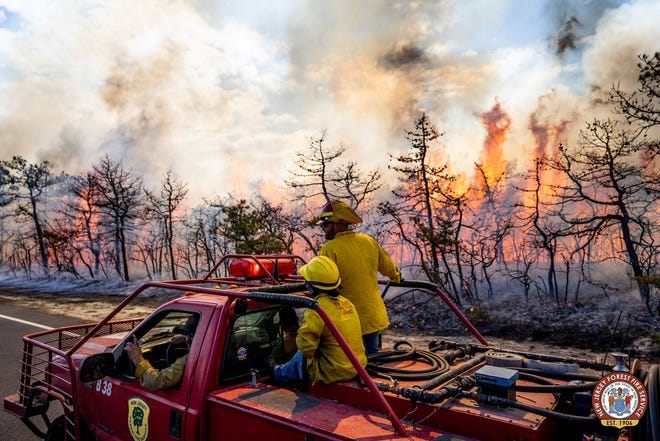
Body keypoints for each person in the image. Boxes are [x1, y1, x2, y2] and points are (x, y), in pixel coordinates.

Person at [317, 199, 401, 354]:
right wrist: (397, 278)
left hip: (348, 318)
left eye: (326, 224)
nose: (323, 229)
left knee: (354, 361)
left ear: (337, 224)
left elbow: (322, 283)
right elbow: (390, 269)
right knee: (373, 357)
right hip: (372, 314)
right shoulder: (368, 241)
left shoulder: (329, 249)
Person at [272, 255, 367, 385]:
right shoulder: (347, 303)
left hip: (331, 371)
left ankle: (278, 374)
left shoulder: (316, 310)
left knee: (301, 355)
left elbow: (306, 348)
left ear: (310, 287)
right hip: (357, 366)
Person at [124, 315, 199, 391]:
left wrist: (138, 359)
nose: (188, 339)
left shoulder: (190, 359)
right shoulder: (206, 351)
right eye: (188, 335)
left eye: (192, 335)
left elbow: (158, 382)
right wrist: (184, 338)